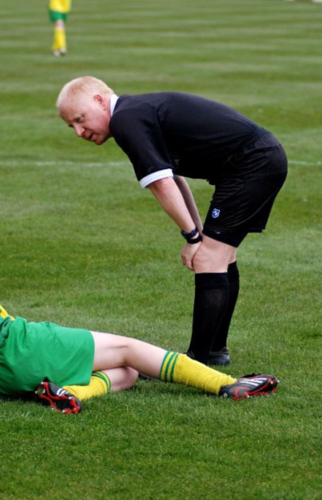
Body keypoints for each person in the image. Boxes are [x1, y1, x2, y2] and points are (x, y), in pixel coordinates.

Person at [0, 181, 279, 419]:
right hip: (11, 350)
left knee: (127, 371)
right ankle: (226, 385)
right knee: (130, 347)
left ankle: (67, 394)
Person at [56, 76, 288, 366]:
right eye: (71, 126)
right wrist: (197, 233)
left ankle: (197, 361)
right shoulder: (133, 112)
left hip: (252, 164)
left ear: (100, 101)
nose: (78, 131)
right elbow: (174, 179)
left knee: (209, 259)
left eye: (80, 119)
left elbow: (162, 184)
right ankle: (213, 352)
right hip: (259, 160)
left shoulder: (125, 119)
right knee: (220, 257)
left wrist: (193, 238)